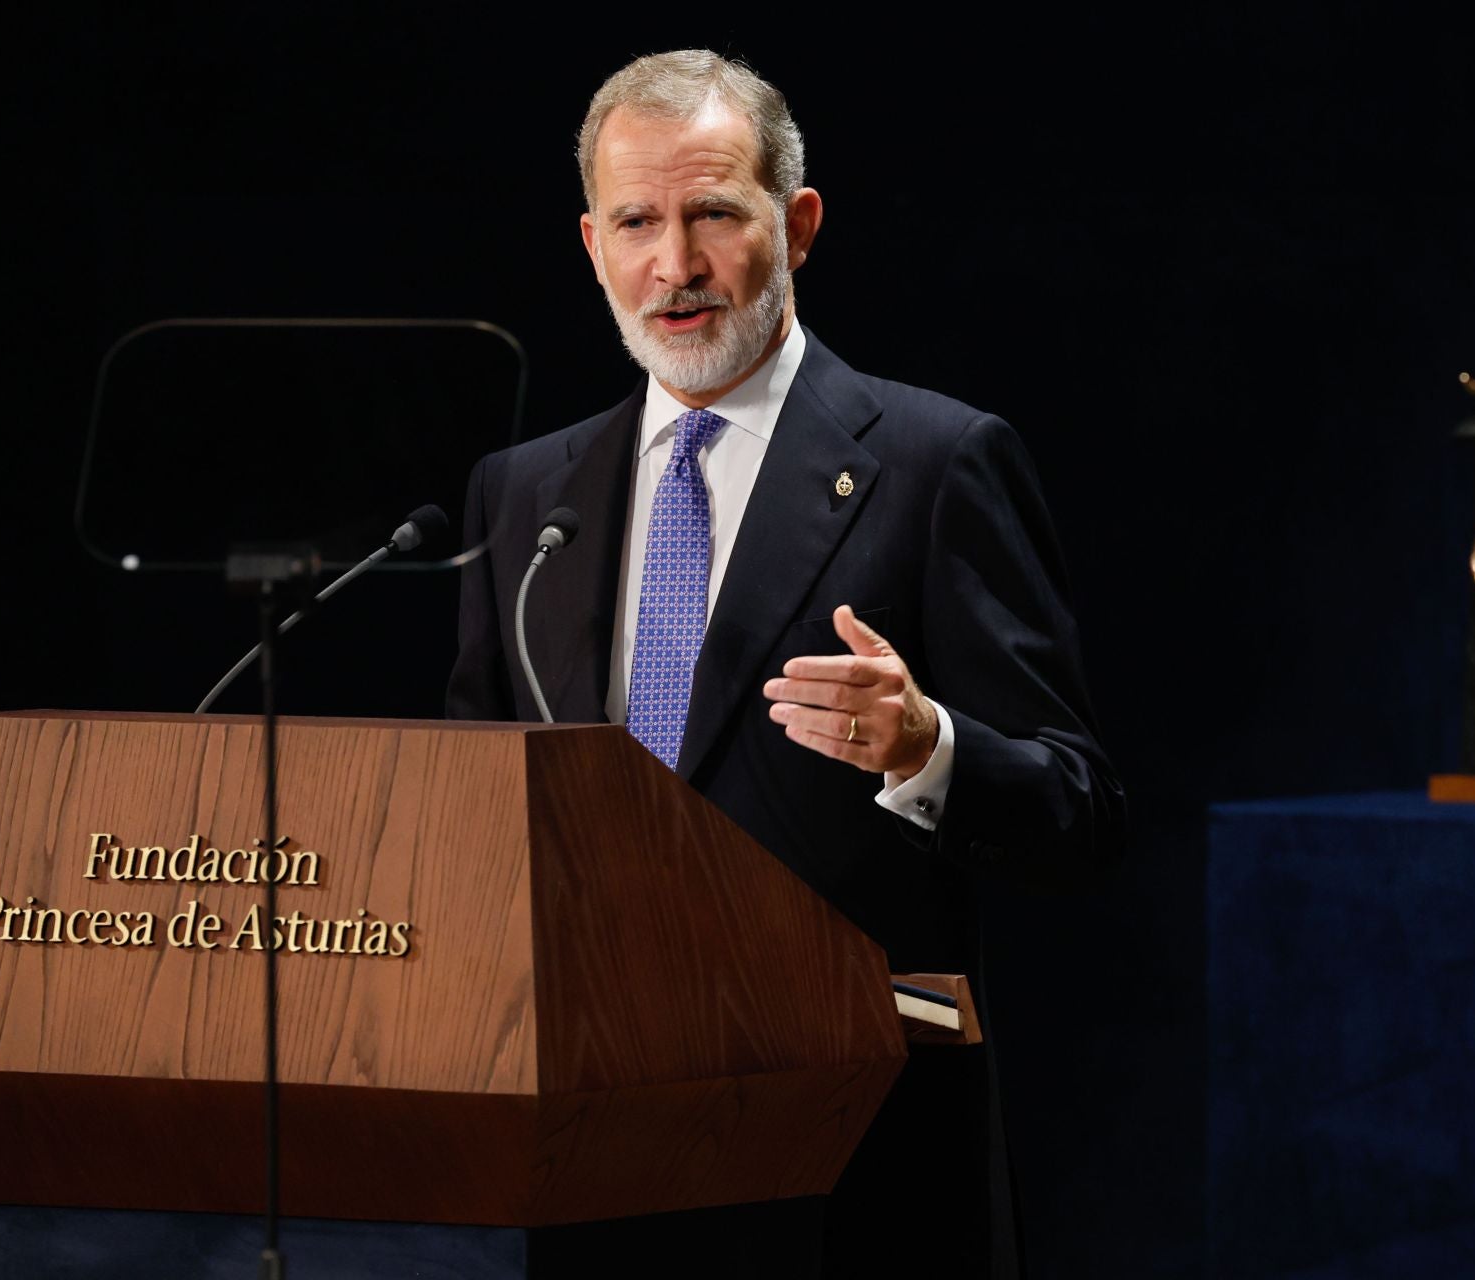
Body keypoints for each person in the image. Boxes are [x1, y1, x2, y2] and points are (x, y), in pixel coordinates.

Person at [446, 49, 1125, 1279]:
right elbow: (471, 823)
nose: (677, 265)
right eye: (639, 222)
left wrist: (929, 751)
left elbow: (1080, 813)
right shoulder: (523, 498)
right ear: (591, 244)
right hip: (588, 1161)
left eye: (714, 213)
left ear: (797, 225)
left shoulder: (936, 463)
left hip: (857, 1172)